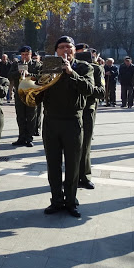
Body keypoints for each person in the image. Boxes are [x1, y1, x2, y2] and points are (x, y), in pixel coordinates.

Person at [37, 36, 93, 218]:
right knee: (53, 164)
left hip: (73, 121)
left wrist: (71, 73)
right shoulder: (49, 66)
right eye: (61, 47)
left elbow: (90, 90)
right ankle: (56, 200)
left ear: (74, 50)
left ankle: (71, 201)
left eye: (69, 47)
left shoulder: (84, 67)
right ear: (56, 50)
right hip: (51, 121)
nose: (65, 50)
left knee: (73, 165)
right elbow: (39, 93)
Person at [76, 46, 105, 190]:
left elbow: (101, 92)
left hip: (87, 110)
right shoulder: (70, 67)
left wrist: (85, 86)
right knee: (72, 147)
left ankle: (85, 176)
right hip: (72, 110)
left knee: (85, 145)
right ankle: (72, 176)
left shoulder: (96, 69)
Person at [8, 46, 40, 147]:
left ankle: (29, 138)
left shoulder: (36, 64)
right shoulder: (16, 64)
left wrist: (29, 74)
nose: (25, 57)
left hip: (31, 93)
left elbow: (41, 77)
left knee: (31, 116)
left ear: (31, 54)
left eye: (27, 54)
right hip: (20, 93)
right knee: (20, 116)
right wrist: (18, 72)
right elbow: (9, 75)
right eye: (23, 55)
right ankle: (21, 137)